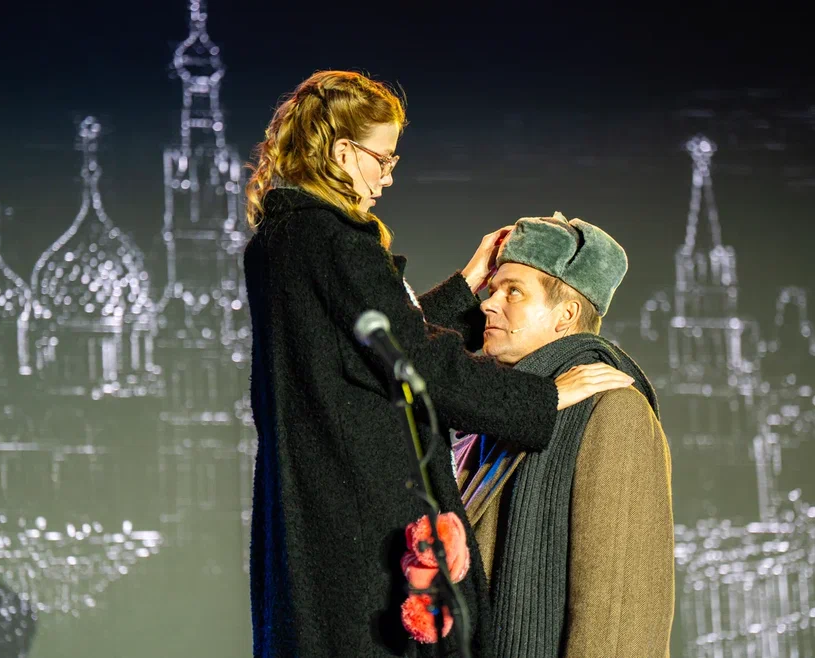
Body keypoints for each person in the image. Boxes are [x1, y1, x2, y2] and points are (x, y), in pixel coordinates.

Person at [242, 70, 635, 657]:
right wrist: (547, 395)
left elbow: (371, 347)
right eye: (383, 159)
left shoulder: (284, 239)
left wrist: (466, 286)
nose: (388, 176)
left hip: (323, 538)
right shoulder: (335, 242)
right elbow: (418, 364)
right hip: (363, 547)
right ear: (344, 154)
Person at [454, 212, 675, 658]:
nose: (488, 305)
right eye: (492, 290)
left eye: (513, 291)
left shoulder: (613, 410)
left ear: (567, 314)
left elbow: (616, 614)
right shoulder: (496, 412)